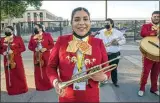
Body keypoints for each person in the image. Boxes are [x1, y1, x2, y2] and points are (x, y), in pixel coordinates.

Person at [46, 7, 111, 102]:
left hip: (91, 95)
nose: (81, 23)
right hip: (66, 94)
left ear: (90, 22)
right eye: (77, 19)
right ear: (71, 23)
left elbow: (107, 67)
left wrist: (104, 77)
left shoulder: (99, 43)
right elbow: (51, 67)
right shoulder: (61, 41)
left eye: (85, 19)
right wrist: (55, 82)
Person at [95, 18, 126, 87]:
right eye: (105, 23)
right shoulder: (100, 32)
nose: (106, 24)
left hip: (115, 54)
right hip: (104, 54)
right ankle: (103, 81)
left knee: (114, 68)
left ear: (112, 23)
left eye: (108, 23)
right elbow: (95, 41)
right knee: (103, 68)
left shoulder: (118, 32)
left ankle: (115, 81)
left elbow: (124, 40)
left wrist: (118, 42)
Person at [0, 26, 28, 95]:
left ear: (12, 31)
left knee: (19, 73)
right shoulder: (2, 39)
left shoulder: (18, 38)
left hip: (17, 59)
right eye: (5, 30)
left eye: (8, 30)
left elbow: (23, 48)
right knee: (9, 74)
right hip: (7, 60)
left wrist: (14, 51)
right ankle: (11, 89)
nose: (6, 31)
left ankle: (22, 88)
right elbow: (0, 49)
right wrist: (2, 52)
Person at [138, 11, 160, 97]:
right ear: (151, 17)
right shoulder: (146, 26)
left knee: (156, 73)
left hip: (158, 54)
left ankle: (154, 88)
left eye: (158, 16)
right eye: (155, 16)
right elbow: (143, 33)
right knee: (145, 72)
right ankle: (142, 88)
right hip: (148, 53)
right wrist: (155, 33)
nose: (156, 18)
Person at [28, 24, 54, 91]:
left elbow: (52, 44)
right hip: (37, 57)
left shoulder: (47, 35)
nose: (35, 28)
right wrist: (34, 49)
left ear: (40, 28)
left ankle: (48, 85)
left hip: (46, 56)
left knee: (46, 70)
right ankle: (39, 86)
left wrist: (46, 48)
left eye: (36, 27)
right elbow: (29, 46)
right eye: (34, 27)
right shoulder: (32, 36)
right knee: (38, 71)